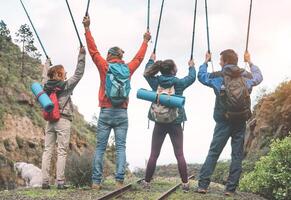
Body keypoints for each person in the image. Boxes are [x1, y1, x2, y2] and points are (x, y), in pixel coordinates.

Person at [82, 16, 151, 190]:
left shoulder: (105, 66)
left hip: (105, 111)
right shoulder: (128, 68)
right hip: (122, 112)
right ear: (120, 56)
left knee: (100, 148)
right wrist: (145, 41)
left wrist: (87, 29)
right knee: (121, 147)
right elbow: (139, 58)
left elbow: (93, 51)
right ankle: (119, 181)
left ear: (109, 55)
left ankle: (96, 183)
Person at [197, 50, 263, 196]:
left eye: (221, 60)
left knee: (214, 152)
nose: (219, 63)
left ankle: (203, 185)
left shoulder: (218, 77)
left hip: (223, 121)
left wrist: (205, 62)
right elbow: (259, 77)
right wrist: (250, 62)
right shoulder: (245, 76)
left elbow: (201, 76)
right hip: (240, 121)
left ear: (226, 61)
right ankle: (230, 189)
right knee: (237, 155)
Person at [142, 53, 196, 192]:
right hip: (175, 121)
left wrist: (151, 60)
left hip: (159, 122)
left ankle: (147, 182)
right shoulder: (178, 83)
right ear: (173, 70)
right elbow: (191, 78)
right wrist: (191, 66)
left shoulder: (156, 81)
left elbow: (146, 74)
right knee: (179, 154)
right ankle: (185, 183)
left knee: (154, 154)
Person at [41, 47, 86, 189]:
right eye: (64, 71)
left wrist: (47, 63)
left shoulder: (45, 86)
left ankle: (45, 182)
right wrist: (82, 55)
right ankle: (60, 182)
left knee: (47, 150)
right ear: (60, 74)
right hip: (63, 120)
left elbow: (44, 77)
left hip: (49, 121)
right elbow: (79, 74)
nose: (66, 73)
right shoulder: (66, 86)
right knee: (61, 151)